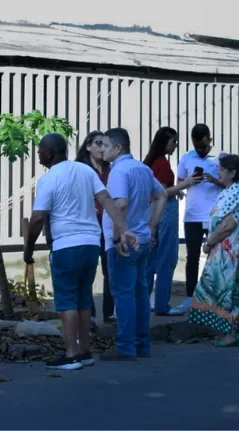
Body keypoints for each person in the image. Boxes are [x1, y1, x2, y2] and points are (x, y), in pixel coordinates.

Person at [24, 133, 136, 370]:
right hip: (91, 243)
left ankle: (71, 354)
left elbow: (38, 217)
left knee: (67, 301)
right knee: (84, 299)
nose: (38, 154)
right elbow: (106, 199)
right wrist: (123, 228)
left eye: (40, 150)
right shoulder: (86, 171)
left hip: (66, 245)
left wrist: (29, 248)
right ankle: (84, 351)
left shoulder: (48, 179)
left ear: (49, 153)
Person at [98, 128, 168, 361]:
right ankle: (141, 344)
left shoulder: (119, 171)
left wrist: (118, 236)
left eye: (105, 145)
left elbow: (121, 204)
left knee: (124, 294)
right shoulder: (143, 168)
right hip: (143, 239)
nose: (102, 150)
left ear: (118, 148)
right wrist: (151, 226)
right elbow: (162, 195)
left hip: (124, 241)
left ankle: (126, 346)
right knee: (140, 293)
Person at [188, 154, 239, 347]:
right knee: (223, 290)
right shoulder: (231, 190)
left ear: (232, 173)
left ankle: (231, 333)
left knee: (227, 291)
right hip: (224, 250)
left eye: (222, 169)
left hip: (228, 251)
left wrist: (209, 243)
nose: (218, 172)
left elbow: (227, 226)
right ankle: (228, 332)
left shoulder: (237, 193)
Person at [170, 124, 226, 315]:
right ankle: (190, 296)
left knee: (216, 257)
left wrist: (214, 180)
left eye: (203, 146)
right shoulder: (186, 158)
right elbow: (179, 183)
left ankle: (214, 297)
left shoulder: (220, 157)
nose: (200, 150)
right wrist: (187, 184)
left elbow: (229, 185)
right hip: (192, 216)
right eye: (197, 146)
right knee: (192, 257)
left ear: (210, 140)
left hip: (214, 215)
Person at [142, 127, 197, 316]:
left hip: (151, 211)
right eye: (173, 141)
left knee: (150, 259)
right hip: (165, 210)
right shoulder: (163, 164)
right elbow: (163, 193)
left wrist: (176, 189)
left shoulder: (151, 162)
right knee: (167, 258)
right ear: (164, 143)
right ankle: (162, 305)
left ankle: (144, 302)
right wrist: (185, 184)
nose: (175, 145)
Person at [75, 131, 114, 327]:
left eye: (105, 144)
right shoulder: (81, 169)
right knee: (87, 270)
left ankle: (110, 312)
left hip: (108, 222)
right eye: (98, 143)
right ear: (88, 146)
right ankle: (88, 313)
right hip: (88, 223)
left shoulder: (111, 169)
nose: (102, 148)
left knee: (110, 269)